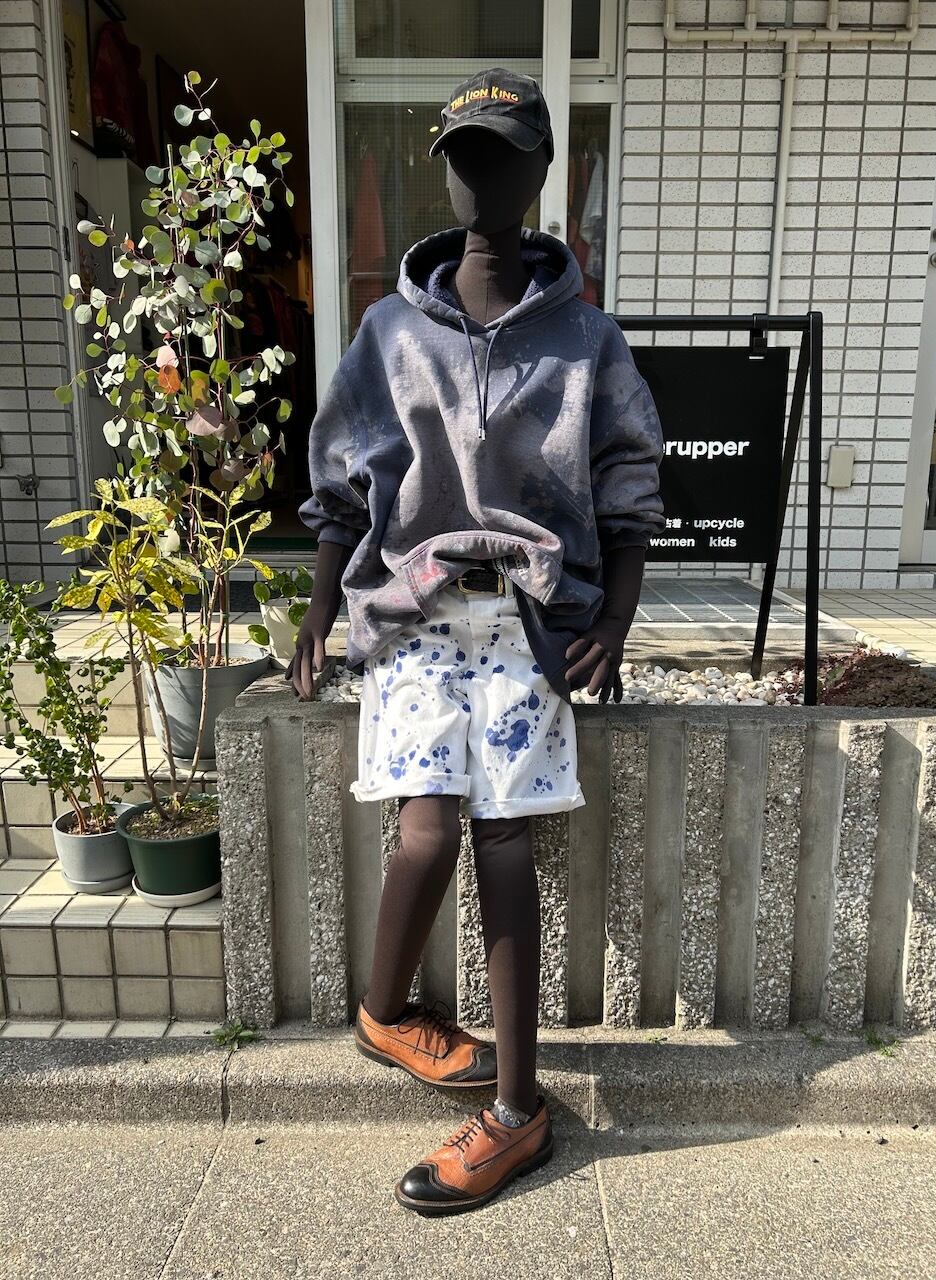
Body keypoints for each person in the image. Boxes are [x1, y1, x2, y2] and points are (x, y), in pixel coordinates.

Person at [288, 67, 665, 1216]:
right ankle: (383, 1010)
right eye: (461, 154)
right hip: (414, 614)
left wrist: (614, 615)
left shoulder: (587, 340)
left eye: (501, 154)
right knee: (423, 829)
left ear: (541, 170)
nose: (478, 176)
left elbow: (629, 484)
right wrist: (317, 610)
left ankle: (516, 1110)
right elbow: (345, 482)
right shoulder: (391, 330)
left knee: (503, 841)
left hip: (529, 622)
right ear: (441, 169)